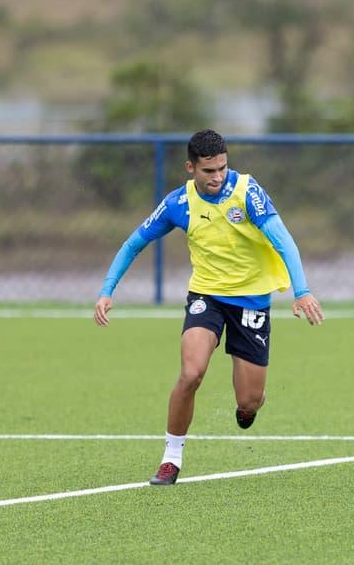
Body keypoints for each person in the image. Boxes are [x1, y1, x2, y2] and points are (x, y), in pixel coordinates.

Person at [94, 129, 324, 485]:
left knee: (249, 401)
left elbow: (284, 240)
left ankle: (250, 405)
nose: (217, 177)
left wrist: (302, 290)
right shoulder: (177, 204)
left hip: (252, 300)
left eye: (222, 168)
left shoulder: (247, 192)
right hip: (207, 297)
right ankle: (171, 459)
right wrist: (107, 290)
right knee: (191, 373)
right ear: (191, 168)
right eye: (208, 171)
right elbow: (133, 243)